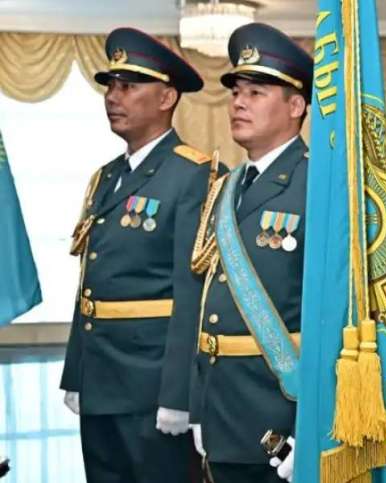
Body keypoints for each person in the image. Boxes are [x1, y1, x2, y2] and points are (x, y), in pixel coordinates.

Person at [60, 27, 215, 483]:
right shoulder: (106, 178)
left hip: (152, 389)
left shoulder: (194, 175)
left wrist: (179, 395)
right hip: (100, 381)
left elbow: (193, 295)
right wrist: (76, 372)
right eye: (111, 86)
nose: (113, 97)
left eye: (128, 87)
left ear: (166, 97)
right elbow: (90, 283)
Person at [187, 22, 311, 483]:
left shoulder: (320, 185)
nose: (238, 102)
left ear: (296, 106)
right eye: (236, 91)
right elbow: (205, 306)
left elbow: (337, 319)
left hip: (280, 413)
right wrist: (197, 404)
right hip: (221, 408)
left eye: (256, 92)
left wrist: (313, 425)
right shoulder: (226, 188)